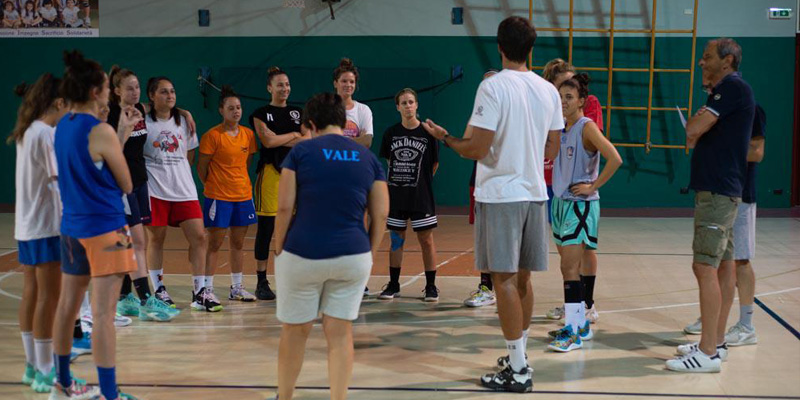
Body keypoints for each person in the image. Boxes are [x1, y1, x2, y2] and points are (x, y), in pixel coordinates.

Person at [422, 16, 562, 393]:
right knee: (524, 279)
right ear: (531, 49)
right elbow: (552, 146)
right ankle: (520, 357)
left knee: (503, 280)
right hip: (535, 194)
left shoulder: (493, 87)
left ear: (500, 47)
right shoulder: (548, 91)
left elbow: (478, 149)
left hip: (501, 195)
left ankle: (517, 371)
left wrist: (446, 138)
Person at [274, 92, 388, 400]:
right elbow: (381, 213)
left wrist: (278, 244)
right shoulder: (368, 158)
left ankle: (285, 396)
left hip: (302, 253)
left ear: (310, 124)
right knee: (340, 334)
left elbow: (284, 207)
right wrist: (371, 251)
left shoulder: (300, 153)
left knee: (295, 331)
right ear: (344, 121)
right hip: (353, 255)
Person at [50, 49, 139, 400]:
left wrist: (121, 131)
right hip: (107, 229)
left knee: (67, 307)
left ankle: (62, 382)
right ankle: (108, 394)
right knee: (103, 316)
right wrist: (119, 134)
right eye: (105, 87)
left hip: (72, 227)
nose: (108, 92)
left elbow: (92, 164)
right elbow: (126, 183)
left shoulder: (63, 126)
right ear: (94, 92)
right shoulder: (98, 130)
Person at [666, 37, 754, 373]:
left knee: (704, 266)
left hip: (718, 193)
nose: (701, 63)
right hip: (721, 190)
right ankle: (715, 341)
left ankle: (707, 354)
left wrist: (699, 121)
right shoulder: (728, 91)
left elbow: (692, 128)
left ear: (727, 60)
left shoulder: (731, 88)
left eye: (707, 58)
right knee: (722, 266)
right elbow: (695, 131)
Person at [545, 73, 622, 353]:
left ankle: (574, 330)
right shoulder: (561, 128)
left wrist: (593, 186)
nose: (563, 102)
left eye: (569, 97)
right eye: (560, 97)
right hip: (561, 202)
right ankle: (579, 323)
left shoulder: (586, 127)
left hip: (579, 205)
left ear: (581, 101)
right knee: (568, 267)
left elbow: (615, 157)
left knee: (569, 268)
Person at [683, 103, 766, 346]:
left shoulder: (752, 109)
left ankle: (746, 325)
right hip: (718, 189)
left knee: (740, 259)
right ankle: (714, 319)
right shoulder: (715, 111)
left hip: (740, 192)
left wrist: (721, 149)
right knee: (718, 262)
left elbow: (757, 152)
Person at [12, 74, 72, 394]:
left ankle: (32, 365)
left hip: (26, 226)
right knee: (50, 298)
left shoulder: (27, 131)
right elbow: (56, 181)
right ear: (59, 103)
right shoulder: (47, 134)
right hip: (48, 226)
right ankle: (46, 369)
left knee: (32, 293)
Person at [107, 66, 180, 322]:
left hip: (139, 183)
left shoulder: (139, 111)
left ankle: (125, 297)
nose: (135, 91)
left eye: (137, 87)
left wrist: (186, 113)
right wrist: (124, 128)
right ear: (116, 91)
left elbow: (164, 107)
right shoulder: (112, 115)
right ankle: (147, 300)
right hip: (120, 186)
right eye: (129, 87)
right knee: (136, 242)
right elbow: (113, 151)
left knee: (134, 242)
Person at [142, 77, 213, 311]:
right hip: (155, 189)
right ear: (152, 96)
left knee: (200, 237)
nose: (170, 95)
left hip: (183, 189)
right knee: (156, 239)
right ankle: (159, 289)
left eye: (172, 91)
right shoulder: (142, 121)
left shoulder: (183, 120)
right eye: (163, 92)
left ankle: (199, 291)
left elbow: (189, 155)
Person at [542, 58, 603, 323]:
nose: (564, 96)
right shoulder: (551, 110)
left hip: (579, 191)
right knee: (566, 259)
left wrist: (592, 184)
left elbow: (600, 149)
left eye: (570, 90)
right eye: (561, 90)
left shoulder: (586, 116)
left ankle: (584, 307)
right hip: (554, 187)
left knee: (581, 252)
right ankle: (574, 307)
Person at [249, 66, 309, 301]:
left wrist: (285, 139)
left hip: (295, 174)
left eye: (287, 84)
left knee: (295, 228)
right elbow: (267, 141)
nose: (285, 88)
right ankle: (262, 281)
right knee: (267, 228)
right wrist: (293, 136)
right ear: (269, 88)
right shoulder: (260, 113)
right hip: (270, 174)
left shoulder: (298, 112)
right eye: (280, 85)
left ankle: (290, 278)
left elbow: (307, 139)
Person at [377, 88, 440, 302]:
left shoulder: (428, 133)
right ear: (397, 107)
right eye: (403, 103)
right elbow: (389, 162)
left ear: (417, 105)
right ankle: (394, 284)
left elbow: (434, 164)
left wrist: (419, 181)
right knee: (396, 240)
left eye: (411, 102)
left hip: (421, 195)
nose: (407, 106)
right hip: (397, 195)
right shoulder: (390, 133)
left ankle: (431, 286)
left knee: (427, 240)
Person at [197, 86, 259, 304]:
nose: (236, 111)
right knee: (214, 244)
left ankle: (237, 287)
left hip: (243, 195)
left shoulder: (248, 135)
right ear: (221, 110)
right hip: (218, 197)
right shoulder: (212, 136)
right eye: (231, 108)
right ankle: (206, 289)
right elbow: (201, 167)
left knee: (239, 243)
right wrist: (214, 185)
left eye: (239, 107)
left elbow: (246, 163)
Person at [462, 69, 498, 308]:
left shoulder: (510, 115)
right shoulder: (480, 116)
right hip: (480, 181)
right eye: (483, 84)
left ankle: (508, 285)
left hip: (504, 184)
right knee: (484, 238)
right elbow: (466, 144)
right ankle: (486, 288)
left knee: (504, 238)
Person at [333, 58, 373, 148]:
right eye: (344, 81)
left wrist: (338, 140)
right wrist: (358, 139)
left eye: (352, 82)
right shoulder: (326, 108)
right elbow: (323, 141)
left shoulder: (363, 109)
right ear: (335, 83)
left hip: (356, 161)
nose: (348, 85)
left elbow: (367, 141)